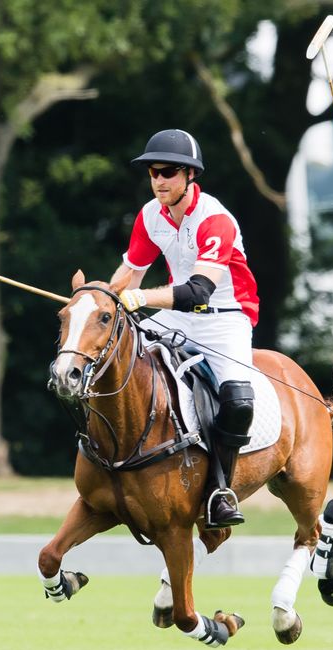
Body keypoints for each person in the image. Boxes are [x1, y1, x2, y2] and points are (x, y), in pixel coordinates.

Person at [112, 128, 258, 529]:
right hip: (177, 316)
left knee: (238, 401)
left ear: (190, 175)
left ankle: (219, 489)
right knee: (111, 355)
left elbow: (198, 291)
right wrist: (101, 301)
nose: (159, 179)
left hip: (226, 317)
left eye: (169, 172)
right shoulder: (149, 215)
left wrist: (141, 300)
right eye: (153, 172)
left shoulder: (215, 220)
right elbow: (130, 274)